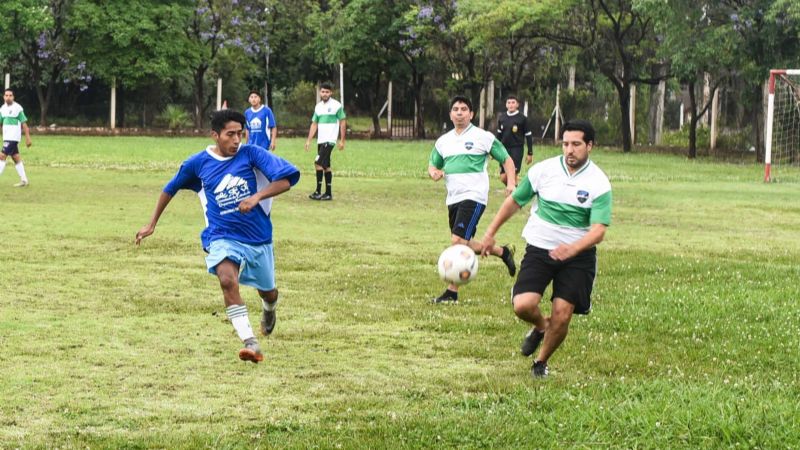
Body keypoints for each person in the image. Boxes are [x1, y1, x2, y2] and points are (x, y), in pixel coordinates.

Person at [135, 109, 300, 364]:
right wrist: (151, 223)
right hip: (221, 235)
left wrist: (256, 197)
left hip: (258, 238)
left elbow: (287, 179)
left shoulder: (252, 154)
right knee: (226, 279)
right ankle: (250, 342)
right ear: (215, 135)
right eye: (230, 134)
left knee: (268, 292)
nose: (236, 140)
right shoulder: (198, 163)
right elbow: (171, 187)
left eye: (240, 134)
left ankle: (270, 308)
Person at [479, 119, 612, 378]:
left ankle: (540, 363)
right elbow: (514, 202)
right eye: (565, 144)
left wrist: (572, 249)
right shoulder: (544, 171)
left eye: (576, 144)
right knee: (523, 305)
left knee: (562, 316)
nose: (569, 150)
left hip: (578, 256)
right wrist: (489, 233)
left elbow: (598, 231)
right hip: (540, 248)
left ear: (590, 146)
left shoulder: (599, 182)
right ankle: (541, 327)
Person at [428, 95, 518, 304]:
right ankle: (502, 252)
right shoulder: (443, 141)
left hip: (474, 196)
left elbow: (506, 158)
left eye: (464, 109)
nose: (459, 113)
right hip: (453, 198)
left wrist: (511, 184)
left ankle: (452, 292)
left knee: (457, 242)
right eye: (456, 109)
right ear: (450, 114)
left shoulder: (482, 137)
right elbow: (433, 164)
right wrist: (434, 172)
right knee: (465, 242)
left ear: (472, 114)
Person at [305, 81, 346, 201]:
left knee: (317, 162)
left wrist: (342, 140)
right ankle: (328, 193)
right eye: (323, 91)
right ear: (320, 92)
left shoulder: (337, 105)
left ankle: (318, 191)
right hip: (321, 140)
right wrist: (309, 140)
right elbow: (314, 124)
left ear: (331, 93)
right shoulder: (318, 107)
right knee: (326, 165)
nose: (325, 94)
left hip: (330, 140)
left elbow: (343, 122)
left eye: (327, 92)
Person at [496, 95, 533, 185]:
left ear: (517, 105)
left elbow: (528, 135)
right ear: (506, 105)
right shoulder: (502, 118)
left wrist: (530, 153)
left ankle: (512, 196)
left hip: (516, 149)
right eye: (509, 102)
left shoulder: (522, 118)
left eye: (513, 102)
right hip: (503, 149)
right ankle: (516, 191)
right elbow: (498, 136)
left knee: (512, 174)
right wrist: (495, 151)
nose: (511, 104)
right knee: (503, 177)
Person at [0, 88, 32, 187]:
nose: (8, 97)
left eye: (10, 95)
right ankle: (24, 180)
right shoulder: (2, 108)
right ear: (3, 97)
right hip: (6, 138)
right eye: (6, 95)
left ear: (13, 97)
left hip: (13, 138)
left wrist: (27, 138)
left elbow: (24, 124)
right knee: (16, 158)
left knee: (2, 156)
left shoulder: (18, 108)